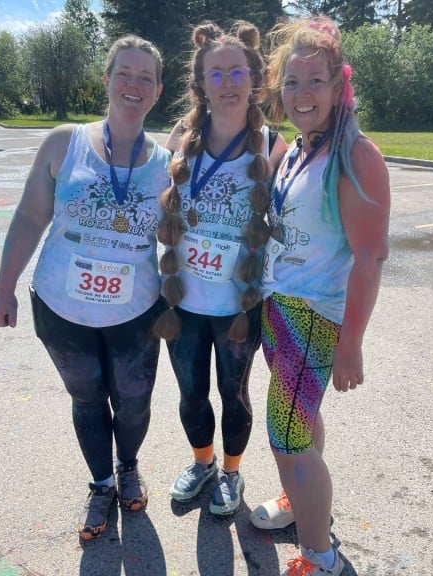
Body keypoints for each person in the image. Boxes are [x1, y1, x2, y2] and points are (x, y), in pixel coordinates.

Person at [0, 35, 170, 541]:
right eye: (124, 73)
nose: (133, 85)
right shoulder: (62, 142)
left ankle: (128, 464)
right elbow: (29, 217)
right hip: (61, 308)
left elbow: (176, 233)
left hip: (135, 313)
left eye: (145, 78)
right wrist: (4, 288)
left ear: (156, 92)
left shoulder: (166, 162)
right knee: (88, 400)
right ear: (107, 80)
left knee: (133, 402)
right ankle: (100, 483)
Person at [249, 17, 390, 576]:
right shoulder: (300, 150)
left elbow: (370, 256)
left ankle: (319, 555)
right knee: (301, 427)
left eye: (314, 82)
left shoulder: (356, 156)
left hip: (315, 317)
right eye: (291, 82)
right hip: (277, 308)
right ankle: (300, 501)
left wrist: (352, 341)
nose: (301, 95)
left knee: (285, 434)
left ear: (338, 87)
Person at [152, 21, 287, 516]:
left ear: (253, 79)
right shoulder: (179, 138)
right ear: (201, 83)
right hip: (182, 301)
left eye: (237, 72)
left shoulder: (273, 146)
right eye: (216, 74)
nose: (227, 83)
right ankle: (202, 462)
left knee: (234, 394)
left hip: (239, 306)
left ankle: (232, 472)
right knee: (191, 393)